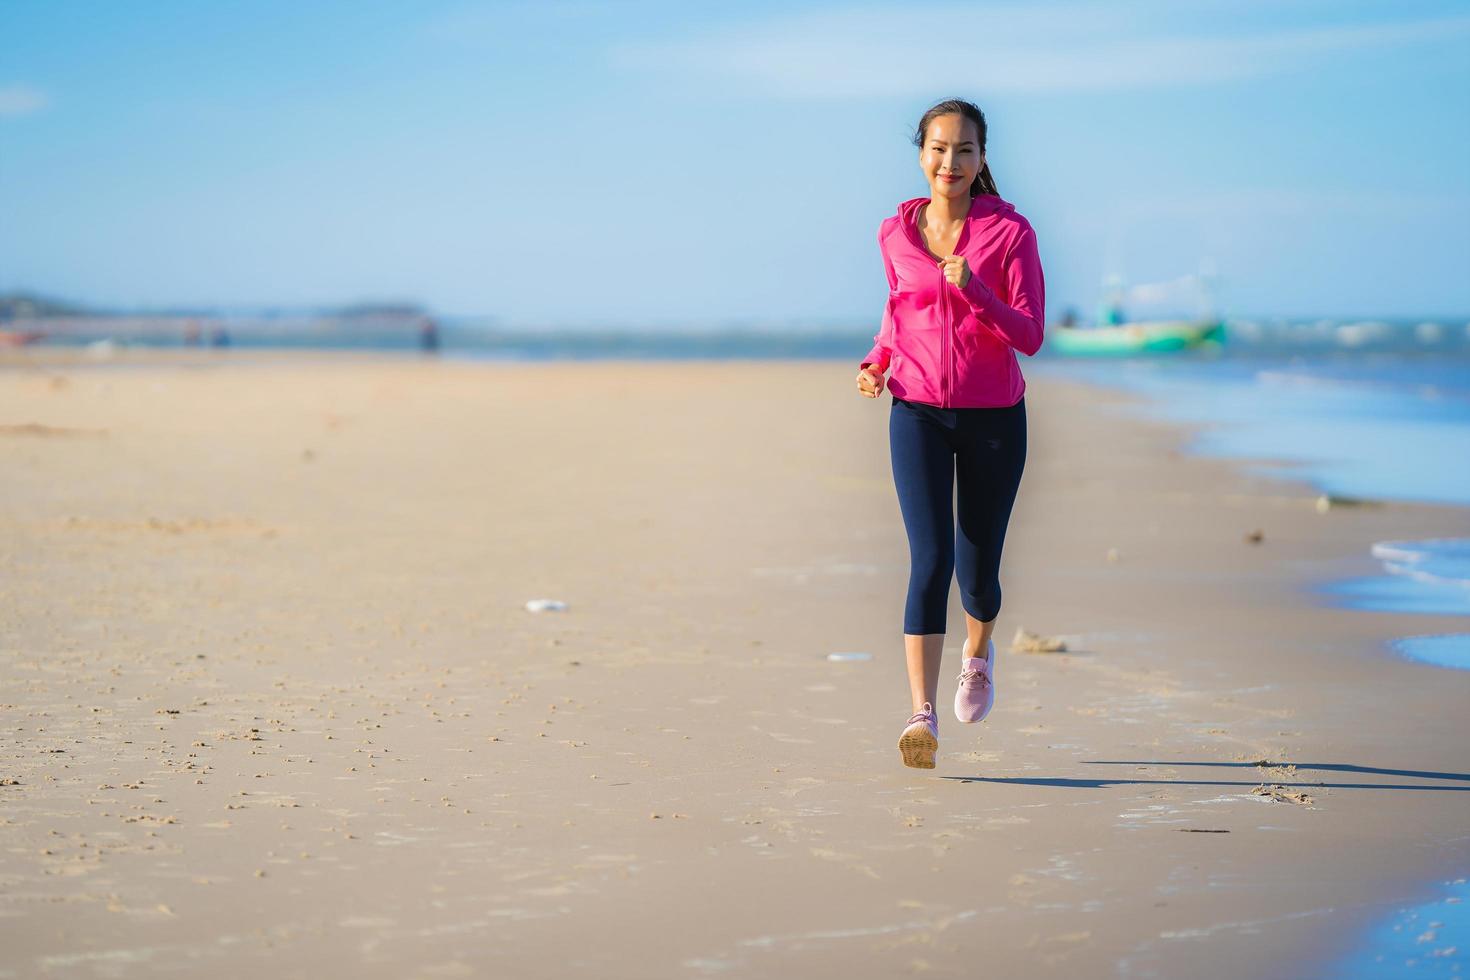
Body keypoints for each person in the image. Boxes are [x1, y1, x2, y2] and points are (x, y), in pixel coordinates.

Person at [855, 98, 1045, 770]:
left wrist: (977, 294)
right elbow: (896, 312)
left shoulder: (1010, 234)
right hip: (917, 413)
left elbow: (1030, 335)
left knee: (977, 576)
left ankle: (978, 652)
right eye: (939, 148)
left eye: (964, 150)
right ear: (921, 154)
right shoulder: (894, 233)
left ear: (982, 157)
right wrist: (879, 362)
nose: (951, 162)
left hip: (994, 415)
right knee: (928, 561)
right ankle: (921, 713)